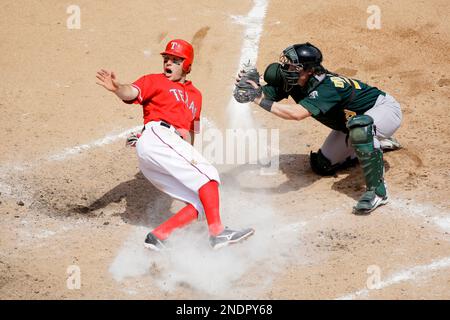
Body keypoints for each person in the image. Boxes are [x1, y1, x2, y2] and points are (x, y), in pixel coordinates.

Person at [96, 39, 254, 250]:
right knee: (209, 175)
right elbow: (131, 92)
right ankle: (217, 233)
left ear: (187, 65)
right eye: (166, 59)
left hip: (164, 147)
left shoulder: (196, 96)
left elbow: (191, 132)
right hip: (158, 136)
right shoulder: (154, 81)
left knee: (200, 202)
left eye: (175, 60)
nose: (168, 64)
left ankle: (159, 236)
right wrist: (117, 88)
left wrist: (188, 153)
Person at [237, 42, 402, 215]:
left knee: (361, 129)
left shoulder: (326, 87)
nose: (286, 67)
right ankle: (376, 144)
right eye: (286, 62)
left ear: (309, 70)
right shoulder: (294, 80)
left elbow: (296, 114)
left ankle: (377, 192)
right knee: (322, 165)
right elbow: (265, 95)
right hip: (349, 124)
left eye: (293, 65)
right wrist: (248, 87)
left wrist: (256, 99)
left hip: (384, 111)